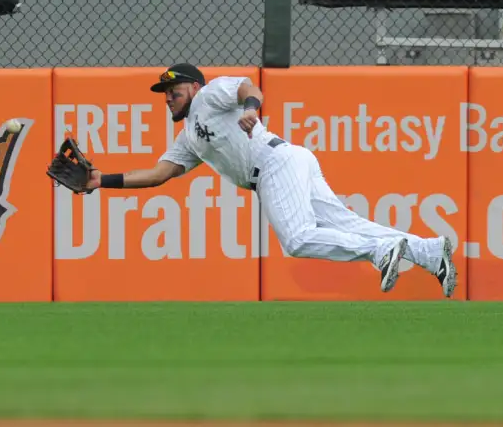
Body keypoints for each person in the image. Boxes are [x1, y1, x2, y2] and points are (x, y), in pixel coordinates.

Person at [86, 63, 457, 297]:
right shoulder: (188, 136)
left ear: (194, 87)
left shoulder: (210, 94)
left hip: (275, 163)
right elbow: (158, 174)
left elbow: (249, 87)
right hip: (288, 160)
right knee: (348, 224)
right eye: (165, 94)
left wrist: (249, 109)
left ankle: (379, 253)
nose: (168, 97)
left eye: (174, 89)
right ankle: (428, 251)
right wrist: (103, 180)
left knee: (296, 239)